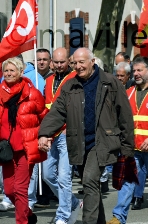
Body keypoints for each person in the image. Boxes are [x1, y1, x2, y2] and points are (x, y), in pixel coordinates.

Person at [38, 47, 134, 224]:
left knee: (89, 180)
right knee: (91, 185)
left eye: (82, 62)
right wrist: (45, 133)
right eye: (75, 63)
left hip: (102, 142)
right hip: (79, 144)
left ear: (92, 61)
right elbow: (57, 112)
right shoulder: (70, 85)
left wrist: (127, 149)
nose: (78, 66)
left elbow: (125, 117)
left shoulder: (110, 83)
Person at [108, 56, 148, 224]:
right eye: (134, 70)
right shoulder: (128, 93)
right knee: (127, 183)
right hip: (131, 148)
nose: (135, 73)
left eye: (139, 70)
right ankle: (119, 217)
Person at [0, 57, 47, 224]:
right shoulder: (0, 93)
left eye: (12, 70)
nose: (9, 73)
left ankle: (22, 221)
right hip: (5, 149)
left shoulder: (31, 93)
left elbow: (45, 117)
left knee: (20, 189)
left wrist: (45, 136)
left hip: (26, 148)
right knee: (9, 190)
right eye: (6, 70)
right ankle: (28, 214)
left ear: (21, 72)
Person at [41, 47, 82, 224]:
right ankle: (72, 202)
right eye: (56, 62)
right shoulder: (48, 79)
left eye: (62, 62)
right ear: (52, 62)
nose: (58, 65)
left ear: (69, 61)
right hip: (51, 133)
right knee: (48, 175)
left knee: (64, 177)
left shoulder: (75, 79)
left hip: (67, 133)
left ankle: (63, 215)